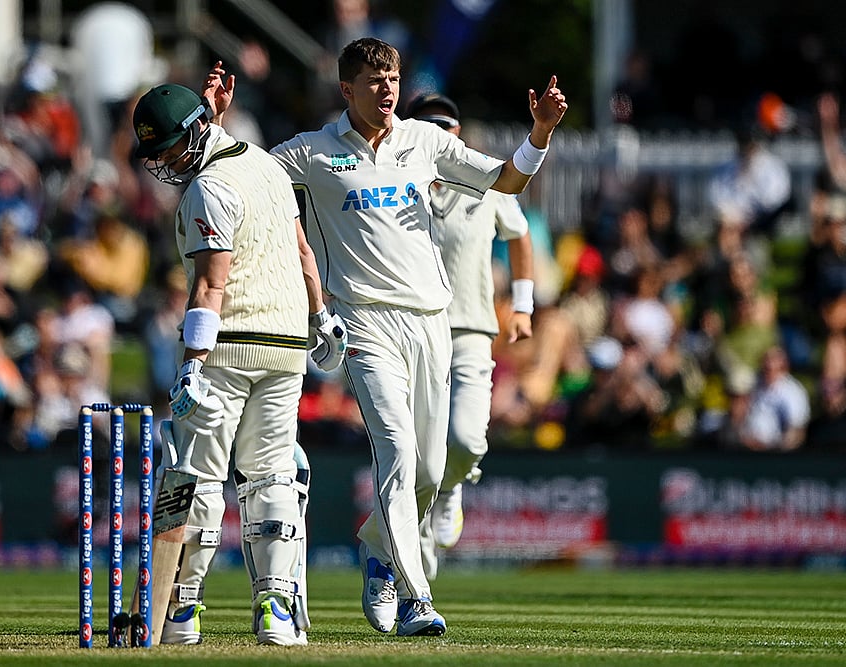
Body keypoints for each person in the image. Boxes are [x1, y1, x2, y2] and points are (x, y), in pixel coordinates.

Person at [203, 36, 566, 637]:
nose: (388, 90)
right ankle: (415, 594)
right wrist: (215, 128)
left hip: (432, 321)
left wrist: (542, 132)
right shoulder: (315, 151)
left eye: (393, 78)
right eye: (374, 81)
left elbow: (506, 181)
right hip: (364, 322)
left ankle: (377, 544)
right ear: (348, 90)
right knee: (396, 451)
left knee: (428, 469)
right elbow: (250, 174)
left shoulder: (425, 141)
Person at [131, 82, 345, 646]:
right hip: (285, 345)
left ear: (200, 130)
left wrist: (191, 365)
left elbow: (210, 284)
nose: (168, 164)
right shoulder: (268, 165)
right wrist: (320, 316)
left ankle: (181, 612)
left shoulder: (209, 188)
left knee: (195, 477)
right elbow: (302, 251)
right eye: (160, 155)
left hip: (226, 347)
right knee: (272, 475)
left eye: (174, 149)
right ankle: (275, 609)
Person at [403, 92, 535, 580]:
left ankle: (454, 486)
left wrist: (523, 305)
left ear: (457, 136)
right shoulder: (397, 183)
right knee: (417, 454)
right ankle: (413, 553)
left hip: (473, 329)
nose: (439, 135)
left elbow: (520, 235)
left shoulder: (487, 184)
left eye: (447, 127)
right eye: (429, 126)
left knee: (464, 439)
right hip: (413, 329)